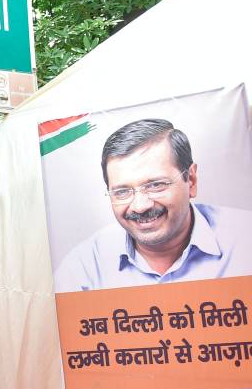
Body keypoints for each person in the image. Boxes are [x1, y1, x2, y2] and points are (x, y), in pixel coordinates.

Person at [54, 118, 252, 293]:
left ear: (190, 180)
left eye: (156, 185)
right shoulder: (83, 268)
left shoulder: (245, 241)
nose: (140, 206)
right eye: (122, 191)